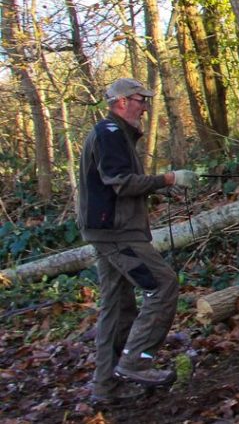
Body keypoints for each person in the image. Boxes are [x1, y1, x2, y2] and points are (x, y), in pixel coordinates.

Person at [78, 78, 199, 404]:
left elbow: (119, 183)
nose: (145, 107)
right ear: (120, 102)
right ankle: (136, 363)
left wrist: (162, 186)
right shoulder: (111, 133)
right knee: (162, 285)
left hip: (107, 231)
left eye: (145, 100)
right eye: (139, 100)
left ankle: (106, 387)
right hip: (117, 234)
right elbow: (120, 182)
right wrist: (169, 179)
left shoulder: (114, 134)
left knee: (116, 308)